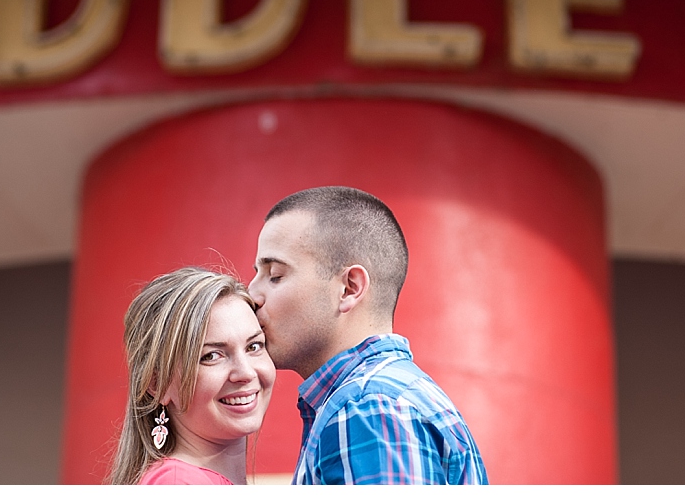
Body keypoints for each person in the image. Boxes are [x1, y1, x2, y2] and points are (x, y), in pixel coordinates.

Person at [249, 186, 488, 485]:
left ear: (349, 288)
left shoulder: (368, 407)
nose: (252, 293)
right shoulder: (383, 398)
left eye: (275, 275)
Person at [107, 266, 276, 485]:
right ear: (157, 384)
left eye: (254, 346)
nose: (245, 372)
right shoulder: (176, 483)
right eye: (212, 356)